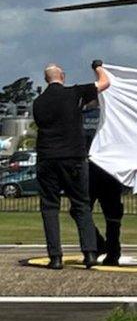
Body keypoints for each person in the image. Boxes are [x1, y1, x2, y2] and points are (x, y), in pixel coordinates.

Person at [32, 60, 110, 270]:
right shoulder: (74, 94)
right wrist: (98, 67)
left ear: (46, 79)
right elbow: (104, 83)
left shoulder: (38, 103)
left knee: (49, 207)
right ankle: (90, 253)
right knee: (81, 204)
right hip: (73, 157)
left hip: (47, 157)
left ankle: (55, 257)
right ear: (63, 77)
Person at [83, 102, 126, 266]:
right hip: (109, 170)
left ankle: (103, 246)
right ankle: (111, 250)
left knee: (81, 211)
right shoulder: (116, 117)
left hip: (93, 170)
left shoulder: (84, 116)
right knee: (113, 217)